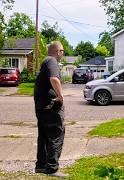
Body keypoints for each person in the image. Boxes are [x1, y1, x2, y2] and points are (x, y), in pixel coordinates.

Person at [33, 41, 67, 177]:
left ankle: (41, 166)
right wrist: (60, 96)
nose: (63, 54)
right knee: (56, 135)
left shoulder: (46, 61)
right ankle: (52, 168)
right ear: (58, 51)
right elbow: (54, 79)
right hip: (50, 106)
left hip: (42, 107)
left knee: (44, 136)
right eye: (63, 51)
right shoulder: (52, 61)